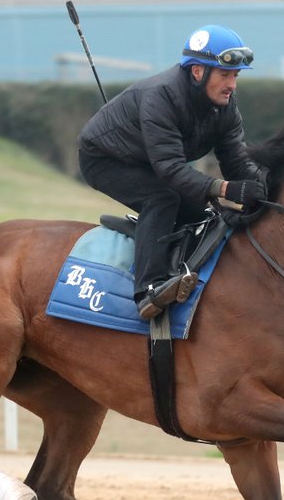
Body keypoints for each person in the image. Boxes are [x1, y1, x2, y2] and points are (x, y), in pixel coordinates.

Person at [78, 24, 266, 320]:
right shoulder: (162, 96)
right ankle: (147, 290)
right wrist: (226, 189)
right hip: (105, 159)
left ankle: (169, 254)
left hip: (148, 161)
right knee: (163, 199)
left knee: (202, 210)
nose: (232, 84)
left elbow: (238, 163)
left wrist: (268, 187)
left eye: (236, 76)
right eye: (225, 74)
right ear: (197, 72)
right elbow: (170, 169)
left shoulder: (225, 108)